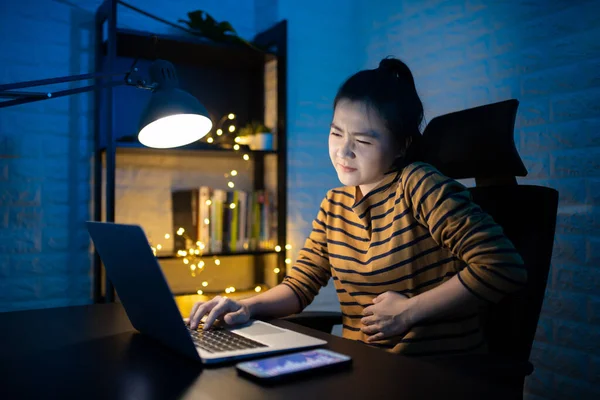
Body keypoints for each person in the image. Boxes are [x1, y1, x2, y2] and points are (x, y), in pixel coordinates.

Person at [188, 57, 526, 357]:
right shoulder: (335, 204)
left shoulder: (419, 184)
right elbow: (299, 287)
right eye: (336, 134)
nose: (343, 152)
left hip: (433, 372)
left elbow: (502, 266)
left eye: (362, 141)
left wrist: (409, 312)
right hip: (364, 367)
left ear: (401, 146)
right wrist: (245, 306)